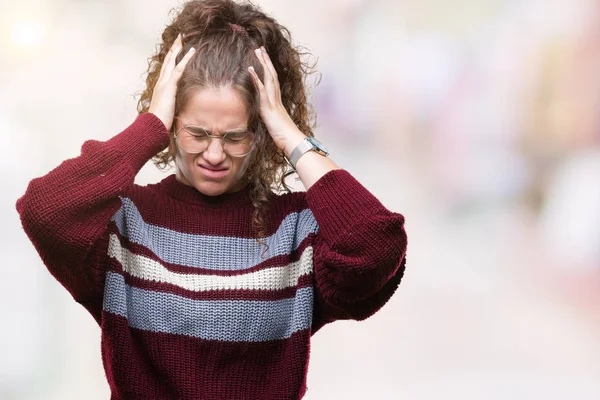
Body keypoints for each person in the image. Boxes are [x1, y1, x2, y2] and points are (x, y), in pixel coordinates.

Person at [16, 0, 408, 398]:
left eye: (235, 137)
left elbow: (375, 249)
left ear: (260, 132)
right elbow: (44, 210)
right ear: (172, 124)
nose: (215, 154)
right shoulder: (127, 222)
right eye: (197, 134)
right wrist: (148, 127)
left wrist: (292, 137)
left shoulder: (294, 232)